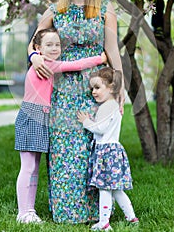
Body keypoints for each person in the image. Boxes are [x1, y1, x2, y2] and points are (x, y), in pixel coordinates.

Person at [27, 0, 125, 223]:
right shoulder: (55, 9)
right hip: (61, 88)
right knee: (64, 147)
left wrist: (120, 87)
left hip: (96, 86)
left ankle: (96, 211)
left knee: (93, 146)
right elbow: (34, 43)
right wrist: (34, 57)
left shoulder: (105, 9)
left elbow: (112, 50)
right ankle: (67, 212)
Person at [15, 27, 106, 224]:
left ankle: (29, 211)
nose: (55, 48)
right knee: (28, 167)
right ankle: (23, 212)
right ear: (38, 48)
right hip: (33, 116)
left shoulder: (46, 62)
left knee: (34, 167)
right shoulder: (47, 65)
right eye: (49, 45)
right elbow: (76, 64)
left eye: (57, 44)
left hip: (40, 117)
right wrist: (100, 59)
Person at [78, 67, 139, 231]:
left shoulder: (107, 106)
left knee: (104, 188)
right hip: (113, 150)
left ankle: (104, 222)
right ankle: (131, 217)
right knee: (116, 189)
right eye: (92, 88)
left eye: (97, 87)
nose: (93, 92)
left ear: (111, 87)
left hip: (106, 152)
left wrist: (86, 122)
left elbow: (101, 128)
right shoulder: (113, 105)